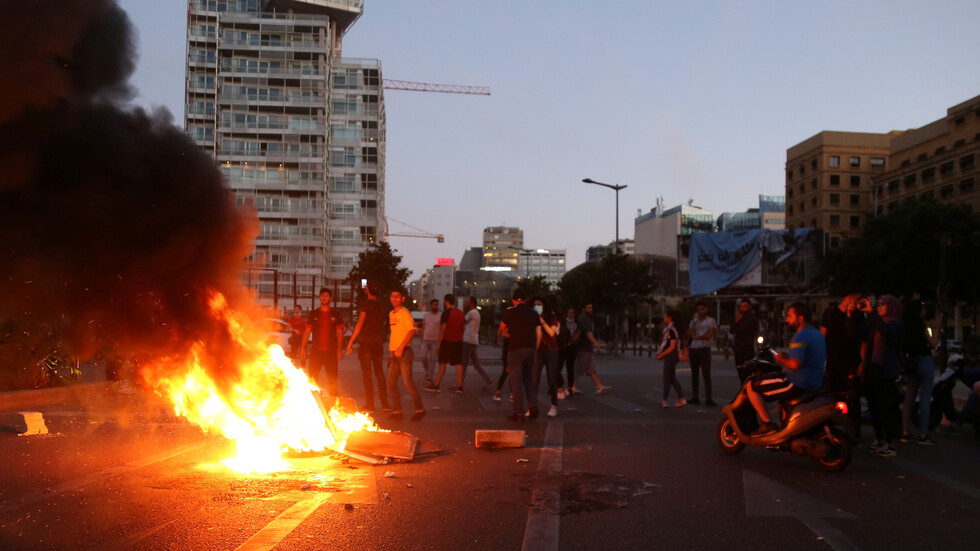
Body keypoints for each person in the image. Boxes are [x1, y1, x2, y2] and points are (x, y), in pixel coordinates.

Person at [747, 302, 826, 436]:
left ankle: (767, 425)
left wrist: (781, 359)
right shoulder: (817, 334)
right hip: (815, 382)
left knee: (752, 386)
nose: (786, 319)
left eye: (789, 316)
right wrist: (787, 356)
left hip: (796, 382)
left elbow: (795, 364)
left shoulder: (800, 336)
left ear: (800, 318)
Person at [856, 295, 904, 457]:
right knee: (873, 405)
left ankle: (889, 443)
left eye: (883, 304)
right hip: (873, 368)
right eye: (879, 304)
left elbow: (885, 330)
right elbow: (856, 331)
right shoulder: (876, 323)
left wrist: (871, 312)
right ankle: (879, 439)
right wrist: (850, 314)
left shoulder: (895, 324)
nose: (879, 306)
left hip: (885, 371)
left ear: (891, 307)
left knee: (883, 407)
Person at [820, 292, 866, 437]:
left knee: (853, 399)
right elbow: (823, 335)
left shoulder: (858, 316)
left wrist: (863, 362)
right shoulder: (830, 313)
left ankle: (854, 433)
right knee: (830, 397)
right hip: (833, 362)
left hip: (852, 362)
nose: (858, 304)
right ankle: (829, 431)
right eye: (857, 300)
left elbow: (862, 340)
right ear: (849, 297)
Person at [346, 283, 391, 413]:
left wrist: (350, 342)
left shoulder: (365, 305)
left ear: (367, 290)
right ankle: (385, 404)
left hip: (366, 342)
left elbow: (360, 324)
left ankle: (370, 405)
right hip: (378, 342)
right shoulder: (382, 305)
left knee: (367, 374)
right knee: (379, 372)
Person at [900, 299, 940, 445]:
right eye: (922, 309)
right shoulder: (921, 327)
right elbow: (934, 344)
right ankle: (923, 434)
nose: (924, 311)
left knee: (909, 397)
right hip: (925, 361)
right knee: (925, 397)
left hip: (912, 363)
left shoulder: (905, 327)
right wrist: (936, 329)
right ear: (918, 312)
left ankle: (905, 432)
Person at [500, 289, 541, 422]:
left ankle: (519, 413)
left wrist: (510, 332)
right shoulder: (533, 313)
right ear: (525, 299)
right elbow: (537, 331)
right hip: (530, 348)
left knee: (516, 382)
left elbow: (502, 327)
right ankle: (533, 405)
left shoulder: (511, 312)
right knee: (529, 379)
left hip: (516, 349)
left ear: (513, 300)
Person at [386, 289, 425, 422]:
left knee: (408, 384)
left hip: (405, 353)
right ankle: (397, 412)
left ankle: (420, 410)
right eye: (392, 296)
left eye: (397, 297)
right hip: (395, 354)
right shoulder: (391, 314)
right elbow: (394, 334)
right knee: (391, 383)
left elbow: (411, 331)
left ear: (402, 299)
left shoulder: (405, 313)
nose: (394, 299)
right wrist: (392, 354)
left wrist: (401, 347)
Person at [299, 288, 344, 397]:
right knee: (313, 379)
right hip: (316, 352)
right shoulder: (314, 313)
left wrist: (339, 350)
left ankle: (335, 404)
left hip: (331, 352)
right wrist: (302, 348)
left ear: (331, 298)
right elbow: (307, 331)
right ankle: (313, 401)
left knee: (333, 379)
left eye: (326, 296)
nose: (324, 298)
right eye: (322, 295)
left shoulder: (335, 314)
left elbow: (339, 333)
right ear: (319, 297)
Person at [569, 303, 611, 395]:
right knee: (579, 368)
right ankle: (572, 387)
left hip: (584, 347)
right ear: (583, 309)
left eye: (591, 307)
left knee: (590, 368)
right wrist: (596, 343)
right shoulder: (584, 319)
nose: (590, 309)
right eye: (588, 308)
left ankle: (598, 386)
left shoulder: (583, 318)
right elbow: (588, 333)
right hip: (583, 347)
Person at [430, 294, 465, 392]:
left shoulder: (446, 313)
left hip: (447, 341)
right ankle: (460, 386)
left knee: (442, 363)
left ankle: (437, 385)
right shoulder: (461, 313)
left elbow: (443, 328)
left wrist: (439, 344)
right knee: (458, 363)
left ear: (446, 302)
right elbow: (463, 327)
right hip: (458, 341)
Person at [533, 296, 562, 418]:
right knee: (535, 380)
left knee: (551, 379)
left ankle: (554, 406)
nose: (536, 306)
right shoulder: (533, 318)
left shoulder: (552, 316)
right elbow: (536, 335)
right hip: (539, 352)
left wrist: (542, 321)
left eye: (539, 304)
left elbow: (551, 333)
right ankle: (532, 406)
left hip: (551, 350)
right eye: (535, 304)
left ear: (544, 305)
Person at [687, 300, 717, 406]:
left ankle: (709, 398)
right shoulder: (694, 321)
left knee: (706, 374)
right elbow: (689, 334)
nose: (700, 312)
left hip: (704, 348)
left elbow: (708, 335)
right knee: (694, 373)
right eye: (698, 310)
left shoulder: (710, 321)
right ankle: (695, 396)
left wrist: (698, 337)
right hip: (694, 348)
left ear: (706, 309)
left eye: (702, 309)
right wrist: (694, 323)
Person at [461, 296, 494, 390]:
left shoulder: (471, 313)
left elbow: (462, 321)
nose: (466, 303)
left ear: (471, 303)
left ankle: (460, 384)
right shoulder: (476, 313)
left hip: (468, 340)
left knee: (464, 364)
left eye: (467, 302)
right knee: (476, 364)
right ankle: (488, 380)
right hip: (474, 340)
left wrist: (463, 310)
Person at [656, 310, 686, 408]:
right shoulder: (674, 329)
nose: (664, 317)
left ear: (670, 318)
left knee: (666, 378)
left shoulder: (671, 330)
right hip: (673, 355)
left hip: (671, 355)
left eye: (665, 315)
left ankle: (665, 401)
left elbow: (672, 346)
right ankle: (681, 398)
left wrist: (661, 354)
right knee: (671, 378)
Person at [730, 299, 760, 382]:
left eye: (744, 306)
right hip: (738, 350)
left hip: (747, 350)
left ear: (749, 307)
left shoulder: (752, 318)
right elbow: (732, 330)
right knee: (741, 372)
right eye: (741, 306)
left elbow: (742, 330)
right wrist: (736, 321)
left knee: (747, 373)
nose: (742, 309)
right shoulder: (740, 318)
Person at [556, 308, 577, 399]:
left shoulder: (577, 324)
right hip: (563, 347)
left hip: (572, 347)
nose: (571, 314)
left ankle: (570, 387)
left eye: (573, 313)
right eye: (569, 313)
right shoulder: (563, 323)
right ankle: (560, 385)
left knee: (570, 368)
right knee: (558, 367)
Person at [419, 299, 441, 387]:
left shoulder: (441, 315)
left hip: (435, 340)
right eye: (434, 305)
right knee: (423, 356)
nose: (435, 306)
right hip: (426, 339)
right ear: (431, 305)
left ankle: (429, 376)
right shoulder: (426, 315)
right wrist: (421, 340)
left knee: (433, 360)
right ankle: (428, 371)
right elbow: (423, 328)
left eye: (437, 305)